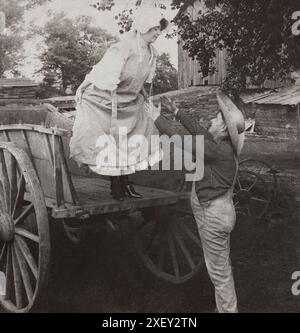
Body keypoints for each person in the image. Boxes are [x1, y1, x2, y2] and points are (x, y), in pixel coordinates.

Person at [146, 92, 245, 313]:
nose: (212, 120)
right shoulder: (219, 144)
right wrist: (176, 111)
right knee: (221, 268)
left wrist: (156, 118)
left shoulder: (217, 151)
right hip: (217, 211)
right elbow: (198, 130)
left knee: (220, 275)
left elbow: (181, 139)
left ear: (223, 131)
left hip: (214, 215)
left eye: (218, 119)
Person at [69, 2, 169, 201]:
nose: (158, 33)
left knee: (134, 139)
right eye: (155, 28)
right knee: (112, 141)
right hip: (105, 100)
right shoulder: (124, 47)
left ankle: (127, 183)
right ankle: (116, 184)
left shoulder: (151, 53)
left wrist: (144, 98)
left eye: (159, 29)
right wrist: (81, 87)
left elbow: (139, 80)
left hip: (130, 101)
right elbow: (102, 71)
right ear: (144, 26)